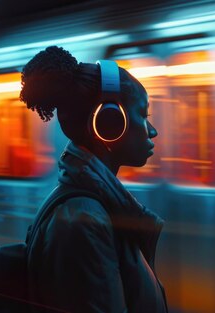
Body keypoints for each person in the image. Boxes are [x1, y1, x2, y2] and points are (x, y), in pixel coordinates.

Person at [19, 46, 167, 313]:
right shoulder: (83, 220)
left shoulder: (92, 208)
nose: (153, 131)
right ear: (109, 123)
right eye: (143, 115)